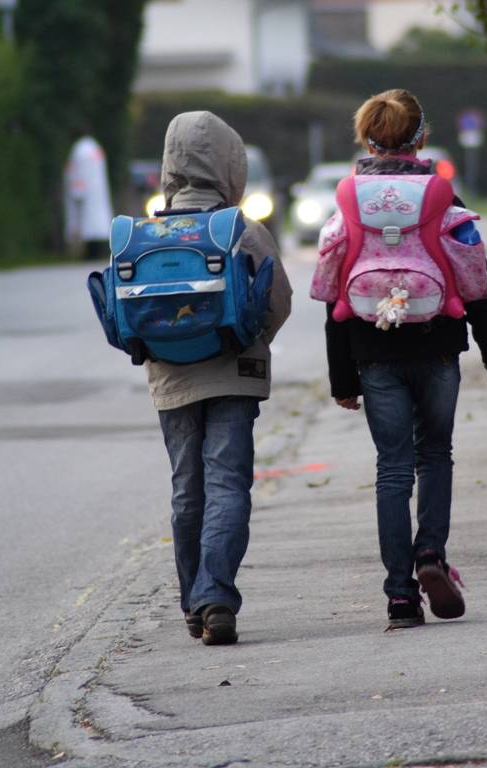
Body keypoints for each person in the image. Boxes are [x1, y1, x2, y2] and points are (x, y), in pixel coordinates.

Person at [310, 89, 487, 630]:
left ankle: (400, 596)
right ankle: (430, 556)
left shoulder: (349, 201)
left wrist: (341, 379)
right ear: (420, 137)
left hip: (373, 352)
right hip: (438, 344)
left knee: (392, 469)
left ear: (366, 138)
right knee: (436, 455)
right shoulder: (441, 195)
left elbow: (332, 296)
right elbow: (475, 284)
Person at [146, 111, 292, 645]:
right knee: (228, 482)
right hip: (234, 375)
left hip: (171, 380)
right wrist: (247, 343)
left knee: (188, 489)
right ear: (232, 162)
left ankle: (193, 603)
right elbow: (280, 302)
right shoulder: (242, 231)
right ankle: (216, 597)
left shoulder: (146, 233)